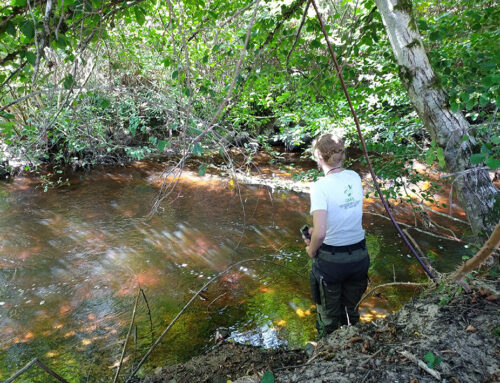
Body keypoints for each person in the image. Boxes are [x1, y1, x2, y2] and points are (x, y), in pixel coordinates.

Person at [303, 133, 369, 338]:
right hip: (359, 256)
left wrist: (311, 249)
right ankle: (355, 343)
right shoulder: (354, 177)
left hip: (332, 263)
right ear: (342, 154)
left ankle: (326, 354)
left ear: (319, 157)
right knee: (351, 310)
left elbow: (320, 233)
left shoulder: (320, 187)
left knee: (329, 317)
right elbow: (345, 216)